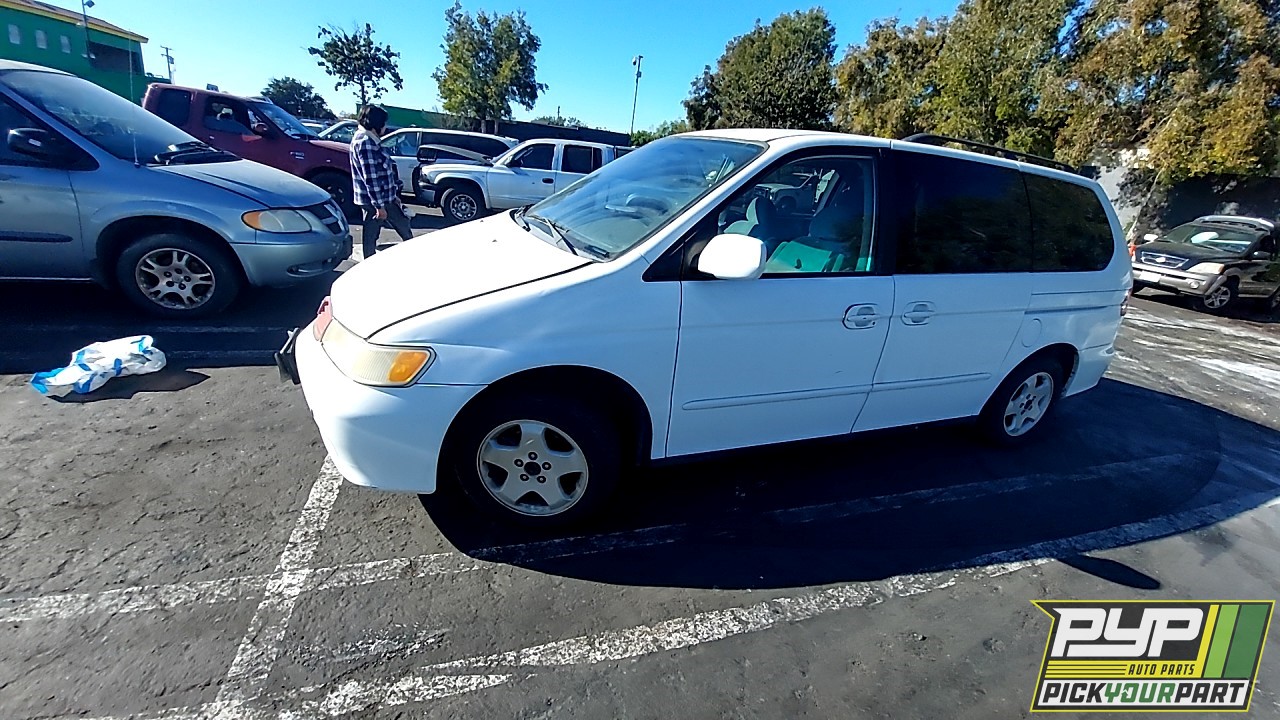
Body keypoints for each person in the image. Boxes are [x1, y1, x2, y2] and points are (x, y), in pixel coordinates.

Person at [350, 105, 413, 257]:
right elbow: (371, 178)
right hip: (378, 200)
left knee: (374, 233)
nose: (385, 128)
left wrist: (394, 195)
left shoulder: (365, 139)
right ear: (376, 124)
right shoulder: (366, 143)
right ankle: (370, 262)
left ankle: (369, 259)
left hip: (383, 197)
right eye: (383, 124)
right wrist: (379, 207)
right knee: (399, 228)